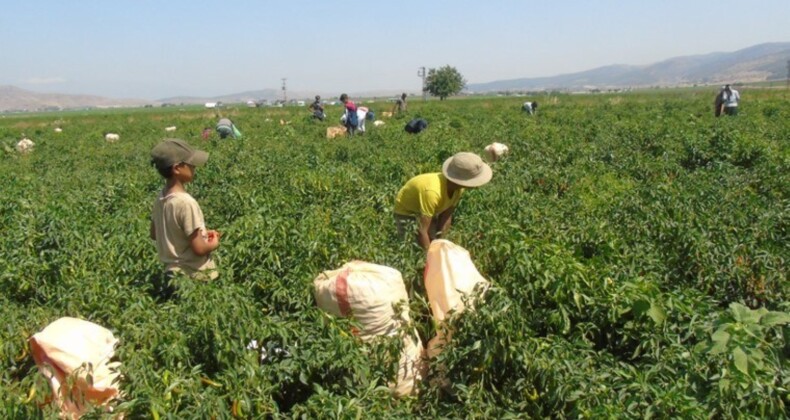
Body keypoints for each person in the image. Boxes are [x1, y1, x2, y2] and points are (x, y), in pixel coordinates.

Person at [149, 139, 220, 294]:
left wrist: (196, 235)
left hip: (171, 275)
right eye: (190, 164)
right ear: (177, 168)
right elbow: (200, 249)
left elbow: (155, 234)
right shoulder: (186, 203)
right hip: (194, 277)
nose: (194, 167)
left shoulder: (160, 198)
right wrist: (214, 242)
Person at [393, 152, 492, 250]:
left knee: (434, 241)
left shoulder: (458, 188)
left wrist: (441, 243)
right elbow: (421, 230)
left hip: (428, 209)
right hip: (407, 212)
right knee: (411, 246)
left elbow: (446, 216)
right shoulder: (433, 192)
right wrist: (430, 256)